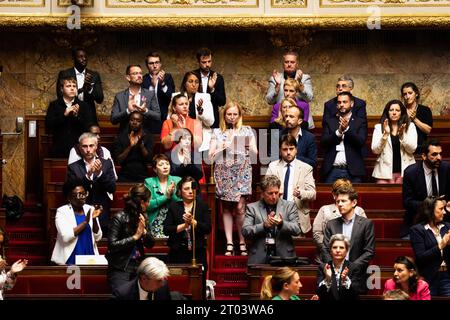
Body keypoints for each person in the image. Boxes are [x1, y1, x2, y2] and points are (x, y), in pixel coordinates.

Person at [209, 101, 257, 256]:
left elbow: (256, 154)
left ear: (239, 115)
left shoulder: (247, 131)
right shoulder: (217, 132)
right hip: (224, 173)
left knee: (240, 208)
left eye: (235, 114)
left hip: (242, 173)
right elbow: (210, 157)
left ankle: (242, 241)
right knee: (227, 208)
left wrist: (247, 148)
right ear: (224, 116)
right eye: (229, 114)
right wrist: (221, 147)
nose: (232, 117)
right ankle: (230, 243)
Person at [322, 187, 375, 294]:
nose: (340, 204)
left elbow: (369, 251)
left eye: (343, 201)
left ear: (354, 202)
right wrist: (335, 270)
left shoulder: (366, 224)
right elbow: (325, 249)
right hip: (333, 275)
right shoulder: (331, 224)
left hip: (357, 276)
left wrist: (351, 268)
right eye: (337, 202)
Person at [106, 183, 155, 292]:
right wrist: (135, 237)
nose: (149, 204)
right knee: (122, 295)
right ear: (142, 202)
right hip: (121, 266)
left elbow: (151, 244)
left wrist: (145, 233)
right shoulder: (119, 217)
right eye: (148, 201)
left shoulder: (144, 217)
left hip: (139, 266)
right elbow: (112, 245)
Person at [242, 175, 301, 264]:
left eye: (276, 193)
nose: (274, 197)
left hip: (284, 256)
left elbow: (297, 229)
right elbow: (245, 231)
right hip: (259, 257)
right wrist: (263, 226)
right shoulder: (252, 208)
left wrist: (282, 224)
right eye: (270, 193)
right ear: (262, 193)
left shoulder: (289, 206)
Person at [266, 134, 316, 236]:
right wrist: (274, 193)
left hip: (297, 215)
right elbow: (265, 190)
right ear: (280, 150)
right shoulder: (273, 166)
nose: (288, 152)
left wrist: (300, 193)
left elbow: (313, 194)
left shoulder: (306, 168)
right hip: (276, 212)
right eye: (285, 149)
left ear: (296, 150)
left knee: (296, 249)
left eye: (291, 149)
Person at [67, 132, 116, 234]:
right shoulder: (73, 167)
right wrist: (88, 176)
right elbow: (71, 191)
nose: (88, 150)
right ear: (80, 148)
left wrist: (99, 174)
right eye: (84, 146)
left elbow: (112, 188)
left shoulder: (106, 163)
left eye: (91, 146)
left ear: (96, 146)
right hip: (81, 214)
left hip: (102, 214)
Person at [402, 139, 450, 238]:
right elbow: (407, 202)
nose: (439, 158)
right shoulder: (411, 173)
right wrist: (432, 205)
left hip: (444, 220)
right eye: (434, 155)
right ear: (424, 156)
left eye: (440, 154)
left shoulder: (447, 169)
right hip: (419, 220)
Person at [163, 176, 211, 271]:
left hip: (197, 250)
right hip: (177, 251)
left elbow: (208, 228)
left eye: (192, 188)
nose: (190, 191)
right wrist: (185, 225)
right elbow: (166, 230)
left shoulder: (202, 206)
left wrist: (193, 222)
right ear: (180, 191)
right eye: (186, 189)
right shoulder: (174, 206)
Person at [51, 179, 103, 265]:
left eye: (84, 194)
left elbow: (98, 237)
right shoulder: (62, 211)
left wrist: (94, 219)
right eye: (79, 195)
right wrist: (85, 222)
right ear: (69, 198)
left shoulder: (90, 209)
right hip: (70, 257)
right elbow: (65, 236)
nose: (83, 197)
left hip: (89, 255)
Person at [321, 91, 367, 183]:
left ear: (352, 104)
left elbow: (360, 141)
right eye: (339, 102)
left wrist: (347, 130)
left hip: (353, 171)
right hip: (332, 169)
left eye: (345, 102)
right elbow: (324, 142)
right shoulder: (330, 121)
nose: (341, 105)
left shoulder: (360, 122)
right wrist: (339, 132)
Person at [312, 179, 366, 255]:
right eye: (338, 192)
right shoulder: (324, 210)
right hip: (329, 254)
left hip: (353, 255)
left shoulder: (358, 211)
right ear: (334, 194)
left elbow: (364, 235)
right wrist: (332, 250)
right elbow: (317, 234)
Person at [410, 196, 450, 296]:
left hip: (447, 277)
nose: (444, 212)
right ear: (430, 210)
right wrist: (441, 245)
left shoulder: (448, 226)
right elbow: (421, 257)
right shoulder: (417, 230)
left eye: (444, 209)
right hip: (429, 278)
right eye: (441, 209)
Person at [45, 76, 94, 158]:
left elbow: (88, 129)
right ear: (61, 89)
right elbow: (49, 127)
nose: (72, 88)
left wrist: (77, 116)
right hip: (59, 150)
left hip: (79, 150)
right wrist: (64, 115)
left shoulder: (84, 106)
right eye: (68, 86)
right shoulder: (54, 105)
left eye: (74, 86)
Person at [371, 100, 417, 184]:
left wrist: (402, 136)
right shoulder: (378, 127)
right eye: (391, 110)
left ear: (401, 112)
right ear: (387, 112)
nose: (394, 113)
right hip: (383, 173)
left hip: (406, 171)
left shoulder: (410, 127)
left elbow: (412, 149)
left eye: (397, 110)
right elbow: (375, 150)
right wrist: (385, 135)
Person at [56, 47, 104, 125]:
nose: (84, 59)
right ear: (74, 59)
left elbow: (100, 99)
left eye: (85, 57)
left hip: (89, 118)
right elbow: (60, 96)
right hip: (70, 116)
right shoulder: (65, 74)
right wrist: (81, 89)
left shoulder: (94, 75)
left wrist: (90, 89)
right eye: (80, 57)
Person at [110, 64, 160, 136]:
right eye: (135, 73)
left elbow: (157, 116)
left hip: (145, 137)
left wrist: (145, 111)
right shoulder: (119, 96)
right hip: (125, 137)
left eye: (140, 73)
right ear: (128, 77)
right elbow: (113, 120)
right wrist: (128, 110)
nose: (139, 76)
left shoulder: (150, 94)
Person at [144, 154, 181, 238]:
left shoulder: (177, 180)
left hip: (174, 220)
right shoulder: (149, 182)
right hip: (156, 221)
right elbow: (147, 205)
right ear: (154, 169)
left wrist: (172, 195)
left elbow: (182, 203)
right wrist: (166, 197)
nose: (165, 167)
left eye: (167, 164)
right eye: (161, 164)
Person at [317, 234, 360, 300]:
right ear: (330, 251)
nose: (338, 250)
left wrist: (346, 280)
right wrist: (327, 279)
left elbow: (356, 293)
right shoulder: (323, 267)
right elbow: (319, 294)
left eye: (341, 247)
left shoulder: (354, 268)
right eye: (334, 247)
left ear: (346, 251)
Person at [179, 71, 214, 151]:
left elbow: (210, 122)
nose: (194, 85)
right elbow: (170, 118)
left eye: (196, 82)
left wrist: (201, 113)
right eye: (190, 81)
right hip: (182, 137)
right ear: (185, 84)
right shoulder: (176, 96)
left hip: (201, 137)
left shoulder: (205, 97)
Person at [114, 111, 153, 182]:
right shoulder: (121, 136)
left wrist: (141, 145)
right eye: (132, 120)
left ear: (142, 123)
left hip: (142, 174)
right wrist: (130, 146)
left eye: (138, 121)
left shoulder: (148, 136)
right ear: (129, 121)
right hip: (125, 174)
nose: (134, 122)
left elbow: (149, 159)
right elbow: (118, 160)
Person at [192, 47, 226, 129]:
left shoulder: (218, 78)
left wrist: (212, 89)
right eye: (204, 62)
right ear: (198, 62)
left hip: (212, 119)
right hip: (194, 118)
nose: (207, 64)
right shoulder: (192, 76)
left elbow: (222, 102)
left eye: (209, 61)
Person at [142, 51, 175, 134]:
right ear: (147, 65)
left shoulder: (168, 77)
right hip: (149, 119)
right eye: (151, 63)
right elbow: (143, 100)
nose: (154, 65)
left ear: (160, 64)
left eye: (157, 62)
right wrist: (152, 87)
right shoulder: (143, 79)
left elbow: (171, 97)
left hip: (165, 117)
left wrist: (163, 84)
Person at [401, 82, 433, 154]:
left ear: (416, 94)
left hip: (420, 148)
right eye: (405, 94)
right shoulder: (399, 110)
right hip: (403, 149)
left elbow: (428, 130)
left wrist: (414, 119)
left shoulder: (425, 110)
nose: (407, 96)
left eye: (410, 93)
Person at [282, 104, 317, 168]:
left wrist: (294, 157)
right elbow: (272, 160)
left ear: (300, 121)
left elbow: (313, 163)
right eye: (286, 116)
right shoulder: (277, 136)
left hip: (302, 173)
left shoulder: (309, 138)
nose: (287, 119)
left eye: (291, 116)